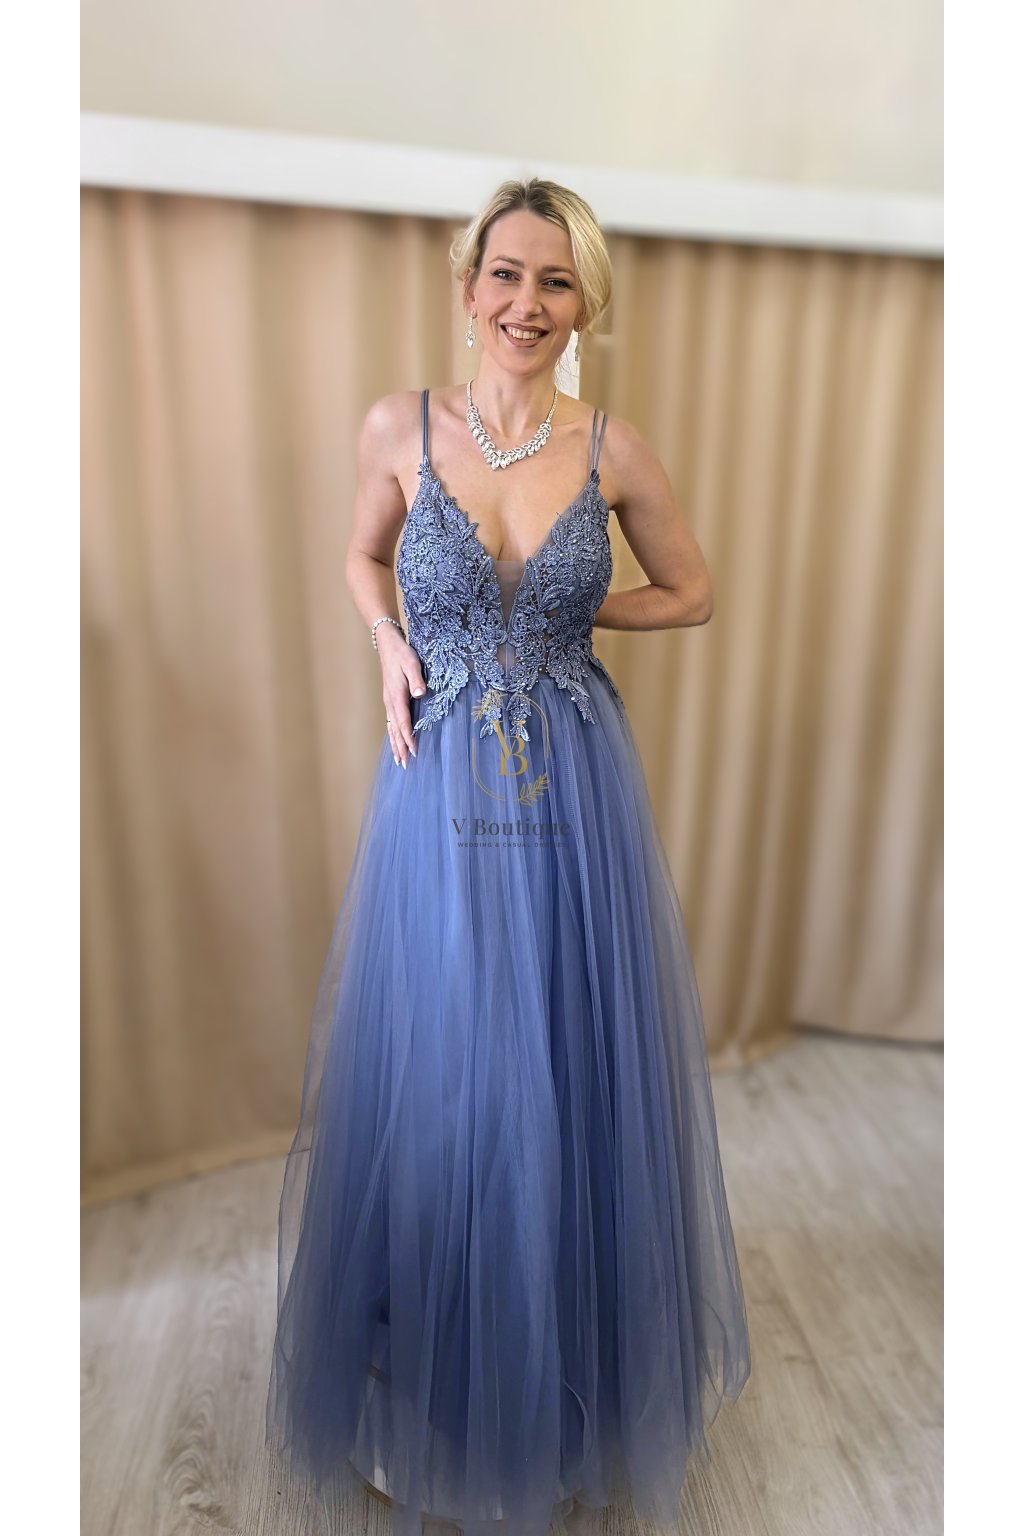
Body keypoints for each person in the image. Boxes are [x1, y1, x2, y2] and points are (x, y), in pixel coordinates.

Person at [265, 177, 751, 1536]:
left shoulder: (613, 449)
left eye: (555, 281)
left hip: (570, 787)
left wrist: (575, 614)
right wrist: (390, 642)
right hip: (438, 785)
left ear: (584, 303)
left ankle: (558, 1375)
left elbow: (694, 592)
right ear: (468, 283)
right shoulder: (400, 427)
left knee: (560, 1054)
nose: (526, 303)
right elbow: (362, 559)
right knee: (449, 1057)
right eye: (506, 274)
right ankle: (431, 1373)